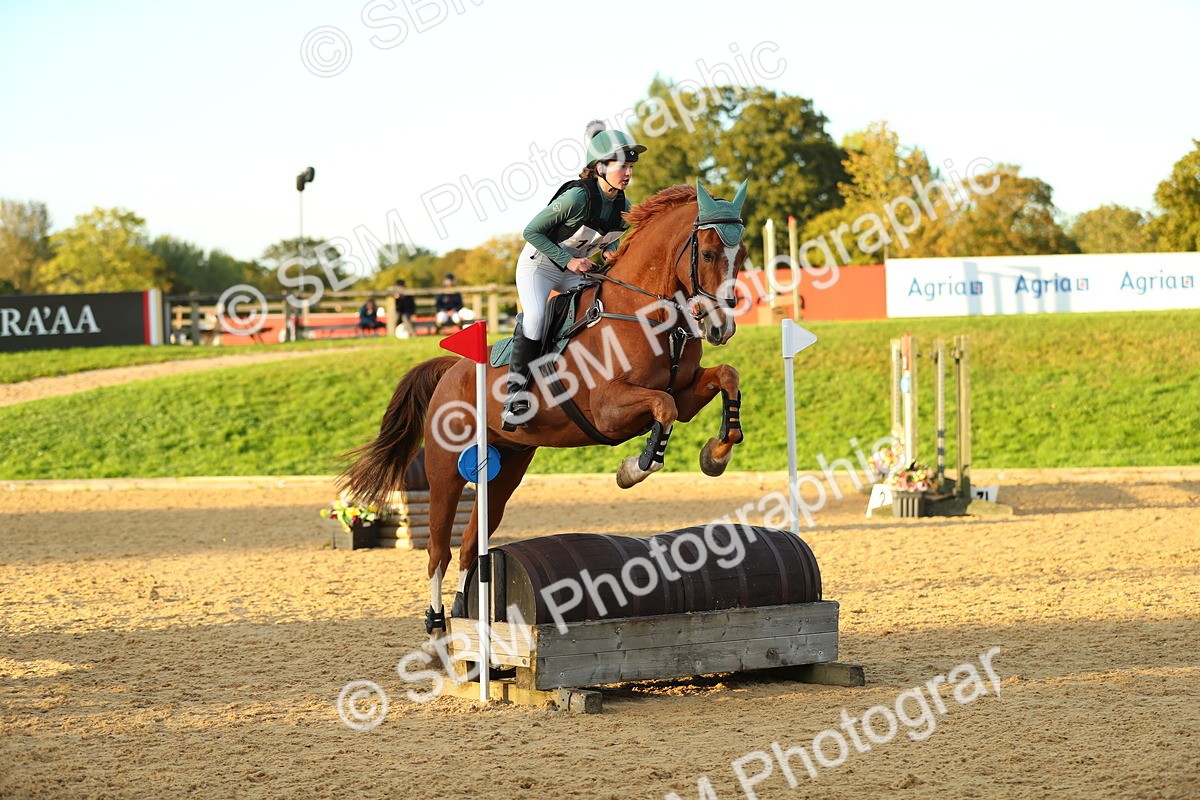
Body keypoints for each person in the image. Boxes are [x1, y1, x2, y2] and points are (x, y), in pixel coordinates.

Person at [501, 120, 647, 430]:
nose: (628, 172)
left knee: (604, 305)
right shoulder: (576, 198)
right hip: (539, 266)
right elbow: (531, 231)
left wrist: (612, 251)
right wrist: (568, 261)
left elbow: (611, 235)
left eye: (631, 166)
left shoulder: (624, 206)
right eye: (621, 165)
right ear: (600, 166)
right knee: (537, 317)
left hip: (574, 270)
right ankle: (515, 395)